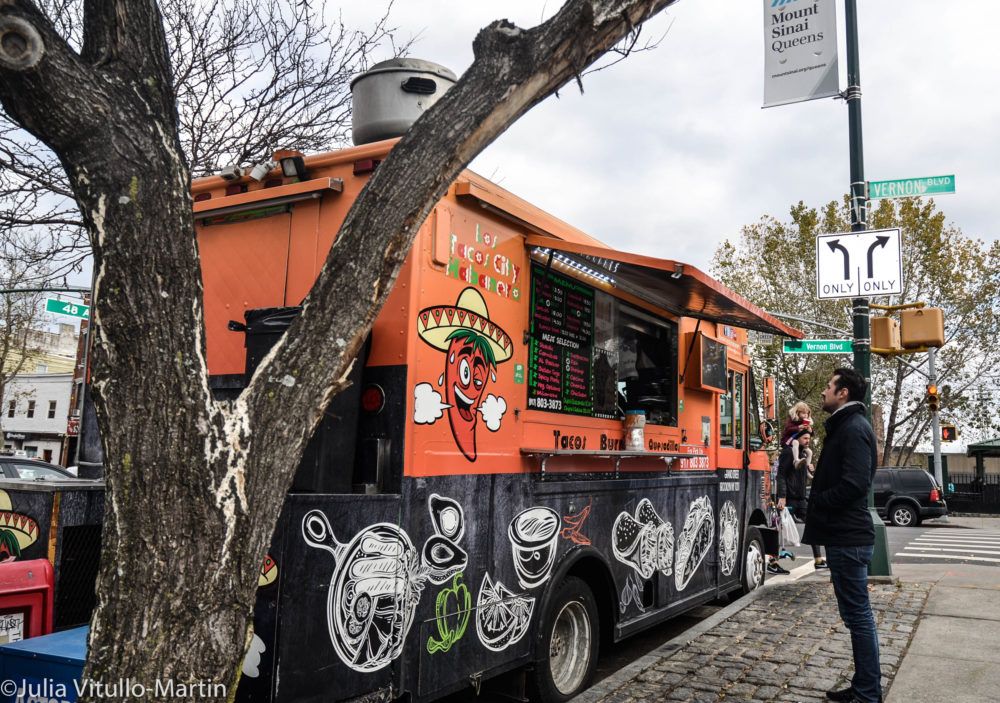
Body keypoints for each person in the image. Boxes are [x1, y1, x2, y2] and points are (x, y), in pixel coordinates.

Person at [802, 368, 881, 703]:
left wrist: (819, 500)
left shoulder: (853, 428)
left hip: (848, 538)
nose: (824, 391)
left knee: (858, 618)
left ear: (843, 392)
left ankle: (867, 693)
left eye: (828, 386)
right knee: (856, 617)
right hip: (845, 536)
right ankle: (864, 687)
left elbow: (855, 484)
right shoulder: (847, 426)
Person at [776, 431, 827, 569]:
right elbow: (781, 475)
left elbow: (804, 477)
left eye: (809, 438)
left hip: (801, 498)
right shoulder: (788, 453)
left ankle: (818, 560)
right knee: (779, 529)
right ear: (797, 438)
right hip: (788, 499)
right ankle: (773, 562)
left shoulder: (803, 454)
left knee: (813, 524)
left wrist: (810, 470)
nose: (808, 440)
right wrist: (782, 496)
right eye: (805, 438)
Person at [781, 401, 814, 468]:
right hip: (788, 440)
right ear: (797, 413)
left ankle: (807, 468)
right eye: (803, 413)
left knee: (809, 452)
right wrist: (798, 427)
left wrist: (811, 431)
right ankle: (796, 461)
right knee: (795, 442)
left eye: (807, 413)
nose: (806, 415)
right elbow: (787, 430)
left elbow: (808, 434)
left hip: (798, 443)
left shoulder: (805, 422)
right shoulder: (792, 420)